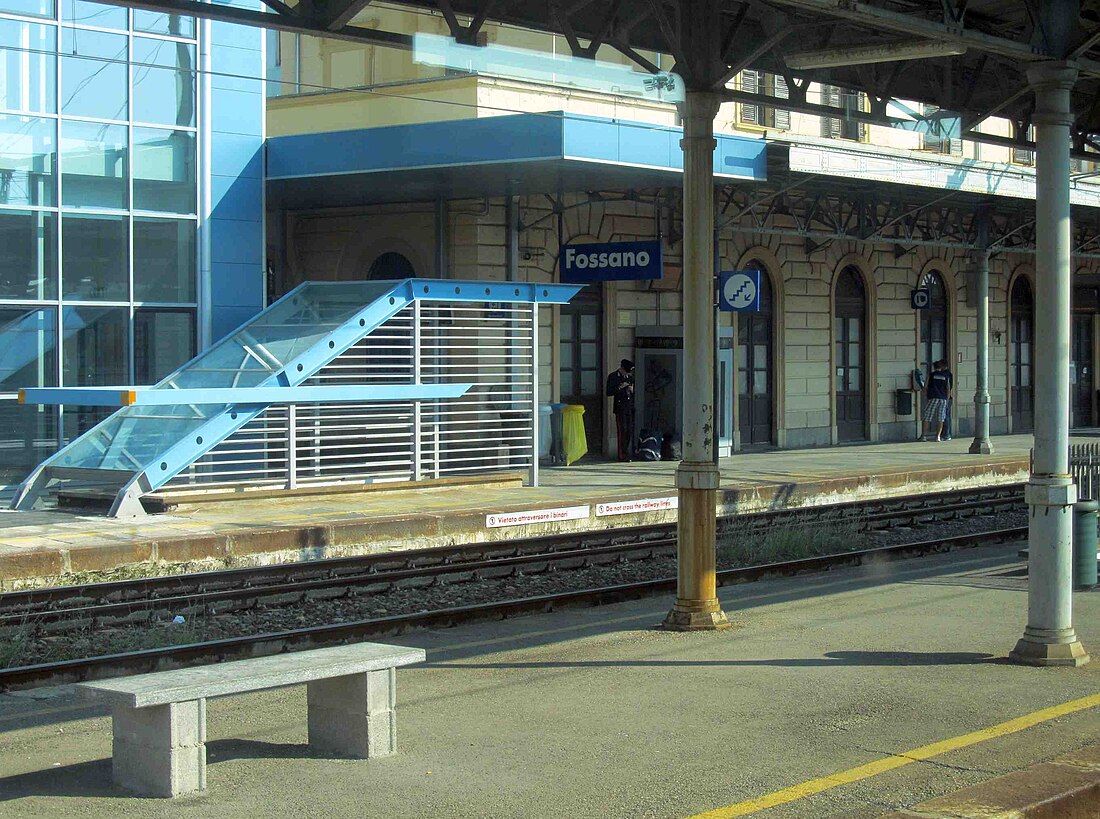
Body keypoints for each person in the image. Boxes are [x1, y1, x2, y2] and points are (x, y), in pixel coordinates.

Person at [606, 358, 635, 461]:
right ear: (622, 368)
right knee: (622, 431)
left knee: (628, 431)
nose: (627, 373)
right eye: (626, 371)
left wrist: (631, 390)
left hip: (629, 407)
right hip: (620, 407)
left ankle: (627, 452)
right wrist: (620, 387)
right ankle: (621, 455)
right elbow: (608, 392)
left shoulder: (629, 377)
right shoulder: (614, 377)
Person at [920, 358, 954, 442]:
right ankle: (938, 436)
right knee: (940, 418)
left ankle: (924, 436)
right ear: (941, 367)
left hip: (933, 397)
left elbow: (925, 387)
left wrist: (926, 394)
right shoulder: (945, 376)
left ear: (934, 367)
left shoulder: (931, 375)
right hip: (943, 399)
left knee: (927, 417)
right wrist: (947, 400)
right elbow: (948, 389)